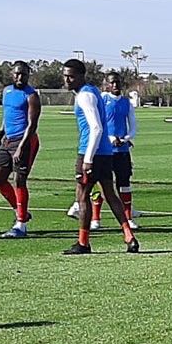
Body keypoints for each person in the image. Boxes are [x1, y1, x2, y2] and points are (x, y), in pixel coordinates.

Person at [60, 59, 138, 255]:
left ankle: (83, 242)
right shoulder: (93, 91)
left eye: (70, 76)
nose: (67, 79)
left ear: (81, 75)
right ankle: (129, 236)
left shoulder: (85, 96)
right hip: (105, 151)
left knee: (83, 196)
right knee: (110, 195)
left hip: (91, 151)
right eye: (65, 75)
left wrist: (87, 159)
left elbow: (96, 127)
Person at [0, 61, 40, 238]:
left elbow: (32, 124)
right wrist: (0, 135)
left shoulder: (31, 96)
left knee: (19, 180)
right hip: (8, 140)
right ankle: (21, 211)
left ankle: (21, 224)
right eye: (16, 73)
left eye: (23, 74)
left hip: (25, 141)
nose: (19, 77)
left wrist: (21, 147)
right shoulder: (6, 91)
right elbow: (7, 116)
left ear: (28, 75)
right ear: (11, 74)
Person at [90, 70, 139, 233]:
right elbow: (97, 123)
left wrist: (124, 139)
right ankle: (96, 219)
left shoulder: (126, 103)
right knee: (101, 184)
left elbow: (133, 127)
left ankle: (128, 218)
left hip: (122, 150)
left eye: (117, 82)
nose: (115, 85)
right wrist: (111, 138)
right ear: (106, 85)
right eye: (112, 82)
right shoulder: (102, 100)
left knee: (124, 184)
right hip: (104, 150)